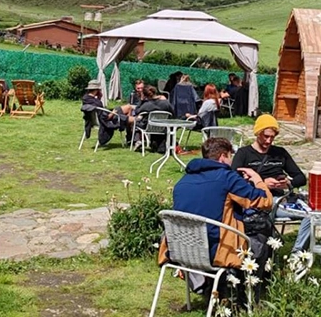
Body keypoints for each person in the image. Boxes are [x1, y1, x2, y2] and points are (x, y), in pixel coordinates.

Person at [158, 137, 272, 298]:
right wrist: (257, 180)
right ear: (223, 156)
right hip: (215, 252)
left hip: (182, 252)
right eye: (230, 156)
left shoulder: (183, 181)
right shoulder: (226, 177)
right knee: (260, 241)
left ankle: (206, 285)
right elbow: (265, 201)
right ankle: (248, 297)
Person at [232, 114, 310, 250]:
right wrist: (261, 183)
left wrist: (287, 184)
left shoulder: (280, 153)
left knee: (312, 215)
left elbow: (301, 178)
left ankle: (298, 255)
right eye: (265, 136)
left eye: (272, 137)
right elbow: (234, 181)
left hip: (280, 200)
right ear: (257, 133)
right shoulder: (244, 153)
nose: (269, 141)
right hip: (257, 201)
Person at [133, 86, 175, 152]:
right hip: (164, 127)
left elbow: (136, 111)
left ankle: (138, 140)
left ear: (145, 95)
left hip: (149, 127)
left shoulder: (147, 105)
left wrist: (141, 100)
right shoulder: (165, 103)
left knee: (136, 122)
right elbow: (172, 112)